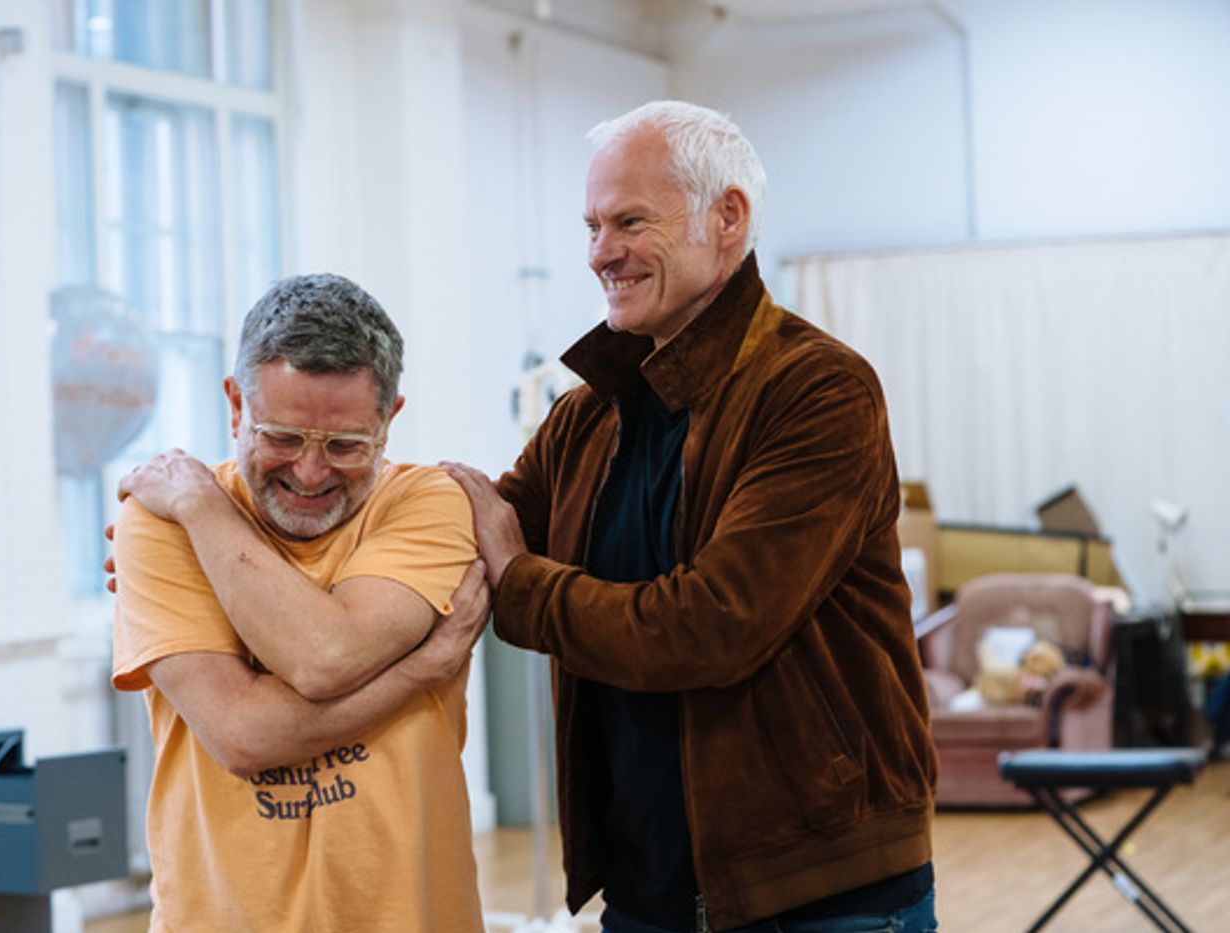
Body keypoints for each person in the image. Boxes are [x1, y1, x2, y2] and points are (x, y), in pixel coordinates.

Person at [443, 100, 939, 933]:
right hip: (647, 893)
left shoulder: (819, 390)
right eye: (593, 225)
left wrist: (523, 584)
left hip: (819, 897)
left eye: (629, 221)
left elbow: (712, 624)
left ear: (728, 217)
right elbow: (454, 527)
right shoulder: (587, 416)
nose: (601, 252)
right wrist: (221, 527)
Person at [110, 273, 490, 933]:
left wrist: (203, 514)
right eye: (281, 437)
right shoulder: (162, 515)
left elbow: (326, 654)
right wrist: (417, 671)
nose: (310, 473)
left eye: (345, 445)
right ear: (235, 405)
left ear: (390, 419)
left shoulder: (429, 503)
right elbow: (243, 734)